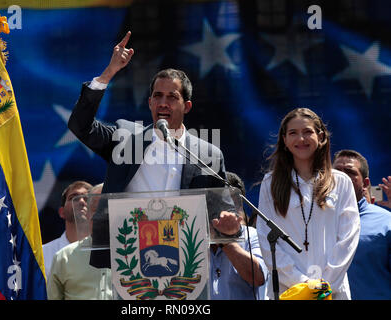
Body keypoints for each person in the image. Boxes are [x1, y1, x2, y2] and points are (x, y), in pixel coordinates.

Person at [68, 31, 242, 268]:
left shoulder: (207, 154)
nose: (163, 103)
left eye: (172, 97)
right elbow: (80, 125)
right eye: (157, 96)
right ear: (149, 103)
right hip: (127, 257)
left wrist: (230, 224)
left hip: (188, 261)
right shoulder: (125, 139)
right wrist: (108, 74)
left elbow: (221, 209)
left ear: (187, 106)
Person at [256, 107, 360, 300]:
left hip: (332, 291)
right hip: (289, 291)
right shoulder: (270, 183)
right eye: (293, 133)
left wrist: (322, 287)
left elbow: (348, 238)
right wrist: (302, 284)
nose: (301, 139)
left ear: (320, 137)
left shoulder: (341, 181)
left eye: (307, 132)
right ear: (284, 140)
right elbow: (265, 237)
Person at [333, 150, 391, 299]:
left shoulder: (386, 222)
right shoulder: (314, 220)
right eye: (336, 171)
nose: (341, 176)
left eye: (349, 172)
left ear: (365, 184)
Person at [47, 183, 113, 300]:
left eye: (106, 208)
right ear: (87, 214)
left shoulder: (133, 251)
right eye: (95, 209)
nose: (102, 215)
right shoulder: (63, 257)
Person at [210, 171, 267, 300]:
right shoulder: (192, 237)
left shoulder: (252, 235)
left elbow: (257, 278)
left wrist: (224, 240)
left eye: (231, 205)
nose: (224, 211)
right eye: (218, 203)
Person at [42, 181, 92, 278]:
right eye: (73, 198)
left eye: (87, 198)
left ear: (95, 210)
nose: (81, 201)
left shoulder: (107, 251)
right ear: (62, 212)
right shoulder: (43, 254)